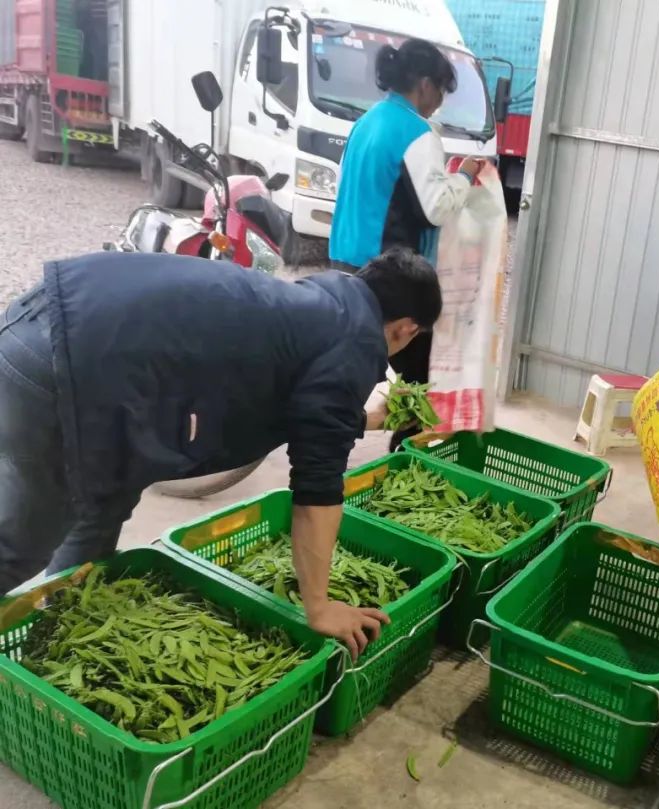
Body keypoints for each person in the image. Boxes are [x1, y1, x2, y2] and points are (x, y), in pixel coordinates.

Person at [0, 247, 441, 658]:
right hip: (64, 361)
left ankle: (68, 616)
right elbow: (317, 487)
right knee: (21, 544)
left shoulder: (329, 299)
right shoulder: (357, 343)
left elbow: (308, 414)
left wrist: (368, 419)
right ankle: (63, 609)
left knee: (104, 499)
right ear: (406, 328)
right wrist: (320, 606)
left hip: (51, 313)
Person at [329, 38, 483, 451]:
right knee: (423, 373)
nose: (439, 102)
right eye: (441, 91)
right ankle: (406, 459)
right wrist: (465, 177)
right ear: (426, 84)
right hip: (390, 275)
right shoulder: (417, 132)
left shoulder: (367, 122)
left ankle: (345, 432)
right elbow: (436, 208)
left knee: (352, 362)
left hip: (345, 262)